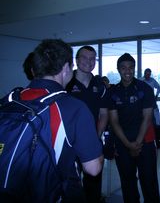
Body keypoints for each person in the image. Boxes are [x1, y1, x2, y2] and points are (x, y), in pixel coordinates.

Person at [20, 39, 104, 201]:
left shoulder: (11, 99)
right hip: (57, 189)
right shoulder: (73, 107)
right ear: (66, 68)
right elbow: (93, 169)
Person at [109, 53, 160, 203]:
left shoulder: (145, 88)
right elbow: (114, 121)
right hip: (122, 144)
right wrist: (128, 144)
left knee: (149, 183)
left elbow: (147, 118)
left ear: (135, 69)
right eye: (124, 68)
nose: (128, 71)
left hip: (145, 142)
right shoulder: (113, 92)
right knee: (128, 183)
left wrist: (136, 144)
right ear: (118, 69)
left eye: (131, 67)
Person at [65, 45, 110, 203]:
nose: (88, 61)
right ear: (76, 60)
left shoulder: (100, 85)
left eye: (92, 59)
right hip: (69, 143)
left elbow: (104, 113)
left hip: (93, 142)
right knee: (71, 184)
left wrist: (95, 136)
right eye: (84, 57)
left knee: (93, 182)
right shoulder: (66, 84)